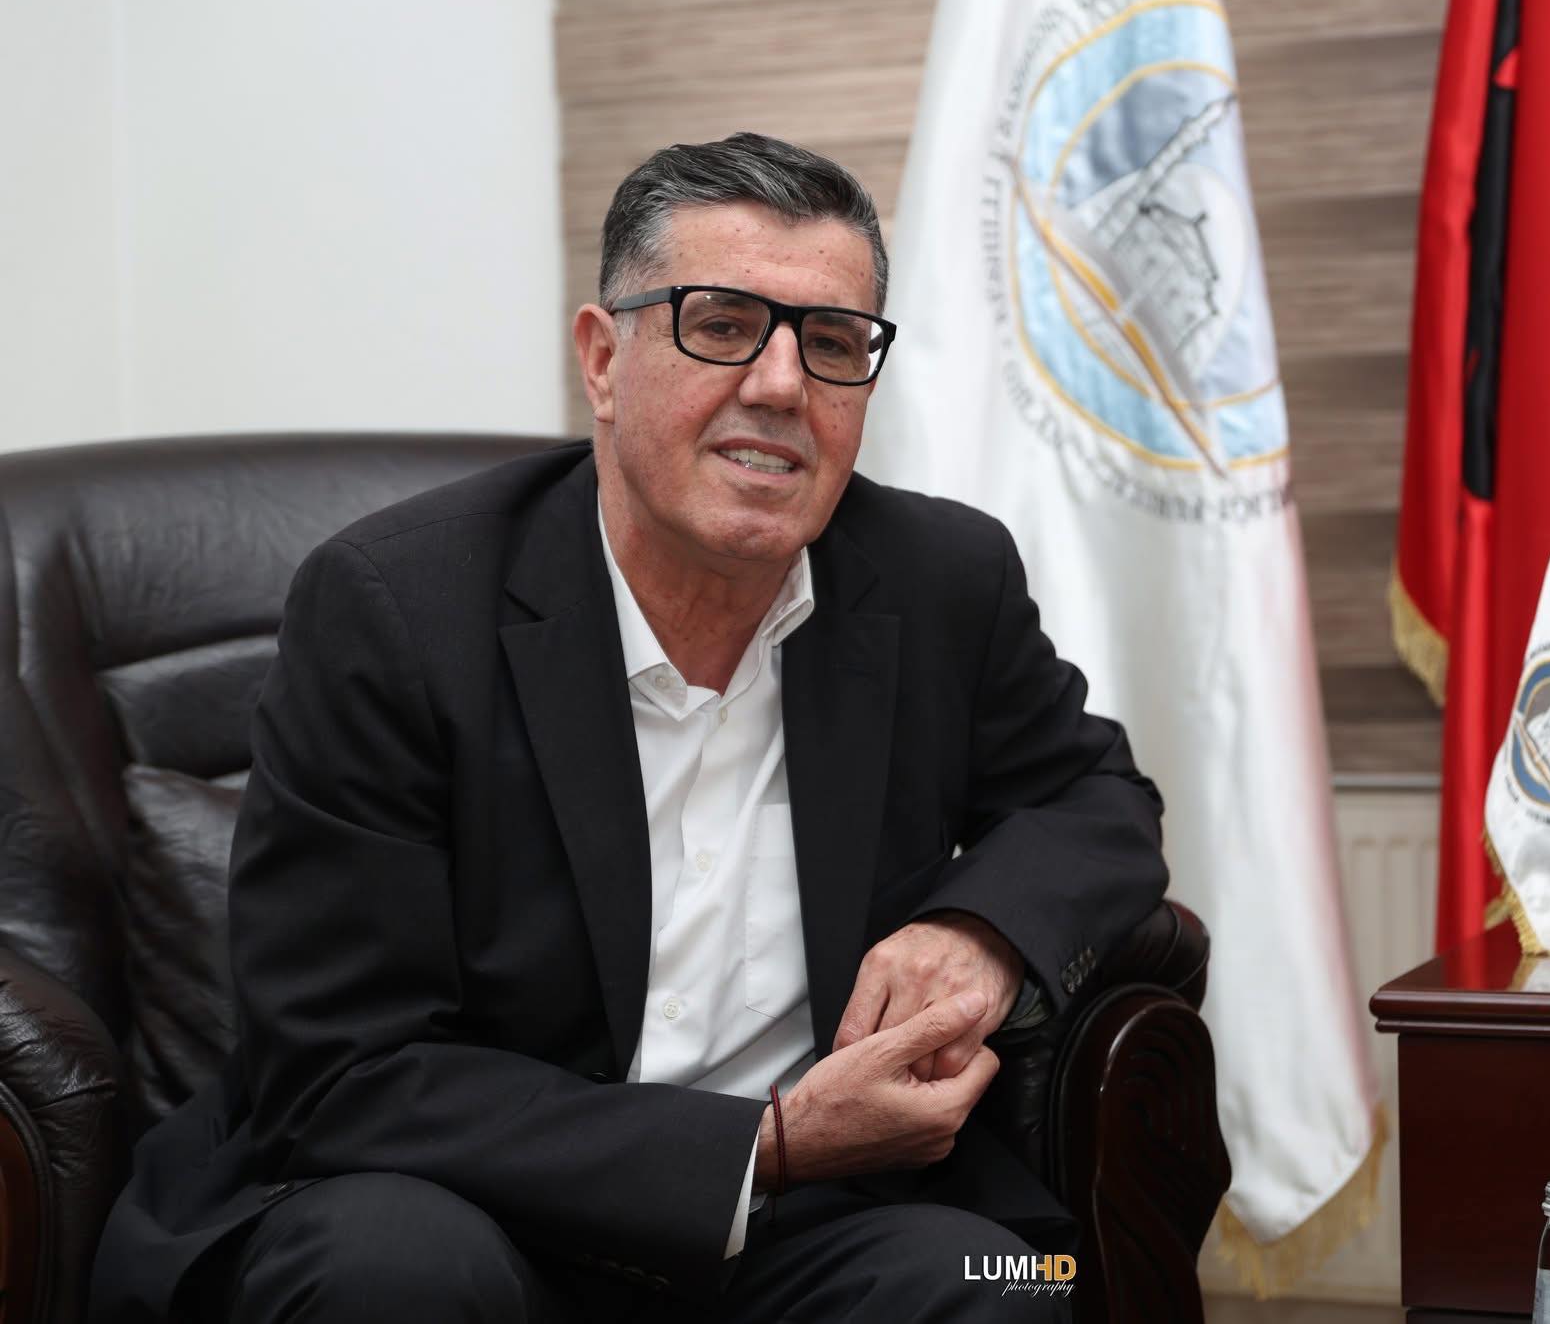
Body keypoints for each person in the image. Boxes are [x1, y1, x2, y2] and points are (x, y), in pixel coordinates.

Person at [88, 132, 1168, 1322]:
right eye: (721, 324)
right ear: (603, 361)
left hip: (807, 1231)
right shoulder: (395, 609)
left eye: (830, 342)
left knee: (1005, 1283)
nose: (780, 385)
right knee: (388, 1269)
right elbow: (341, 1071)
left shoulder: (939, 577)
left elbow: (1096, 800)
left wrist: (979, 933)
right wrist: (763, 1145)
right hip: (459, 1201)